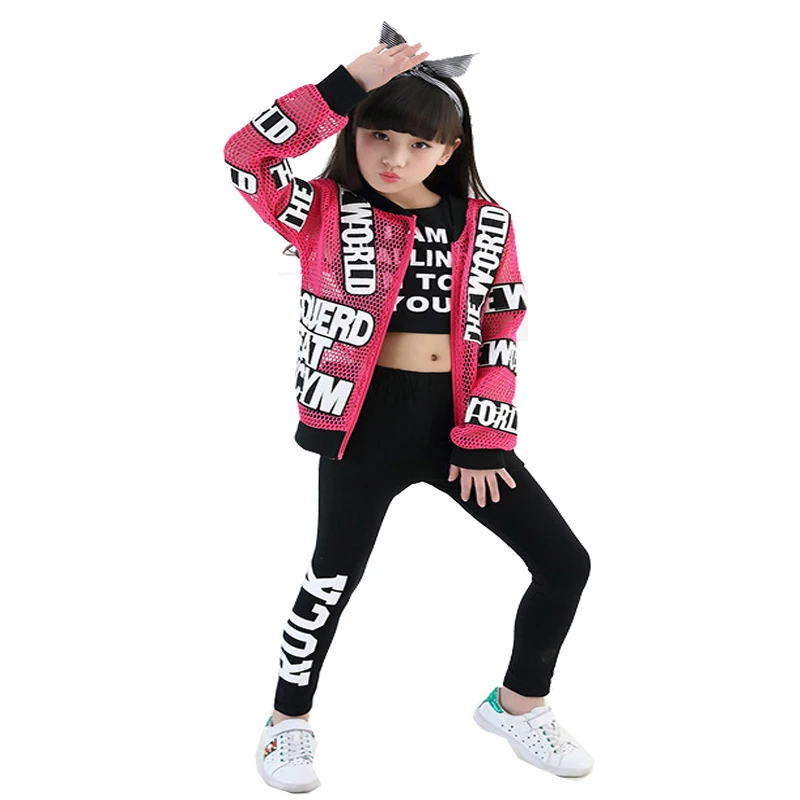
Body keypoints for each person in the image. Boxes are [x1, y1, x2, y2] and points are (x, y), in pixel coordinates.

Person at [223, 21, 593, 793]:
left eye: (418, 144)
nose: (394, 157)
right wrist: (342, 86)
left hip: (457, 426)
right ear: (353, 132)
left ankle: (518, 706)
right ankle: (286, 723)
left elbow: (502, 324)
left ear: (449, 151)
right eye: (377, 135)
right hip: (362, 425)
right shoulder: (323, 210)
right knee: (332, 577)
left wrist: (484, 435)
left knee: (564, 563)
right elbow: (247, 156)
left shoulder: (487, 225)